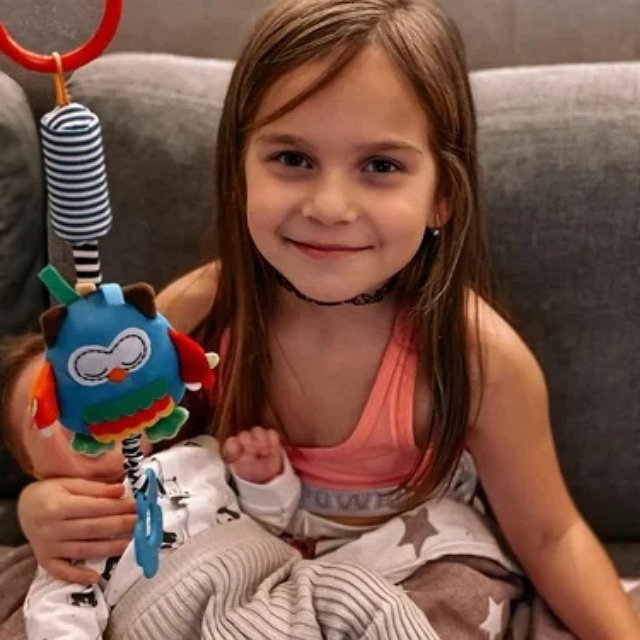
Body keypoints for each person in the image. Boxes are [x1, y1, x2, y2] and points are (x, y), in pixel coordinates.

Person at [15, 0, 640, 636]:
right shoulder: (197, 313)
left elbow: (551, 535)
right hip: (239, 581)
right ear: (239, 170)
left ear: (442, 197)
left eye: (381, 167)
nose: (330, 206)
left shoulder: (477, 357)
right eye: (293, 159)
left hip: (411, 578)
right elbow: (115, 462)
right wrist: (48, 508)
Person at [0, 333, 301, 639]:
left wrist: (262, 480)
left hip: (272, 583)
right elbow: (59, 618)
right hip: (180, 622)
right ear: (31, 466)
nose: (80, 409)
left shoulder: (200, 455)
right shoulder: (70, 536)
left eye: (94, 388)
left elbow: (273, 523)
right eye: (50, 406)